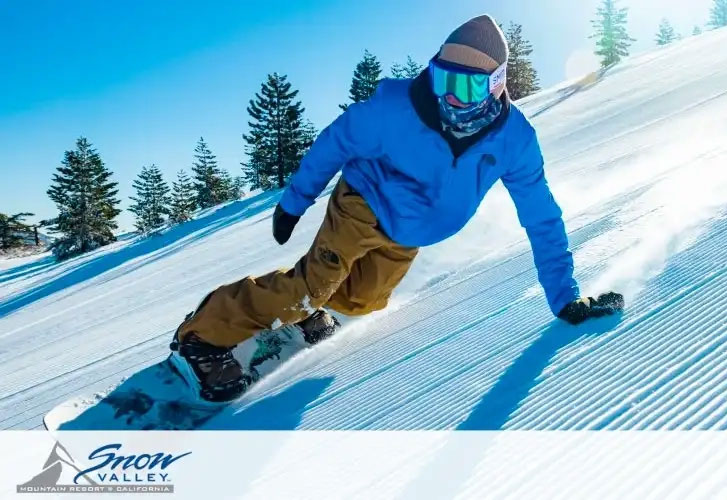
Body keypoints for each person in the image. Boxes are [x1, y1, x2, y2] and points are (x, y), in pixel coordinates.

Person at [169, 15, 624, 402]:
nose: (449, 97)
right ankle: (203, 336)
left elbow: (541, 215)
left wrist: (564, 297)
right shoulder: (396, 107)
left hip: (408, 236)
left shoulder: (514, 140)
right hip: (362, 205)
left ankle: (311, 314)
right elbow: (336, 141)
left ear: (497, 85)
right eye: (443, 79)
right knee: (308, 288)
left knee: (363, 299)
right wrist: (294, 201)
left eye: (466, 87)